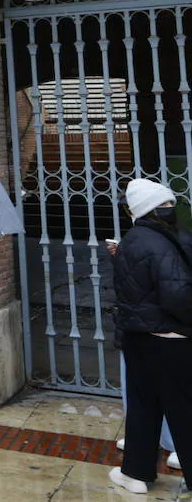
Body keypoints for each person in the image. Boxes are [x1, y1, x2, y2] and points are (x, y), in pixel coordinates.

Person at [109, 179, 192, 495]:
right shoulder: (171, 238)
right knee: (181, 409)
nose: (171, 209)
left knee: (146, 408)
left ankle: (136, 473)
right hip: (169, 339)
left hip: (145, 337)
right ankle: (135, 473)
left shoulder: (135, 241)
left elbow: (171, 292)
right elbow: (177, 292)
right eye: (166, 205)